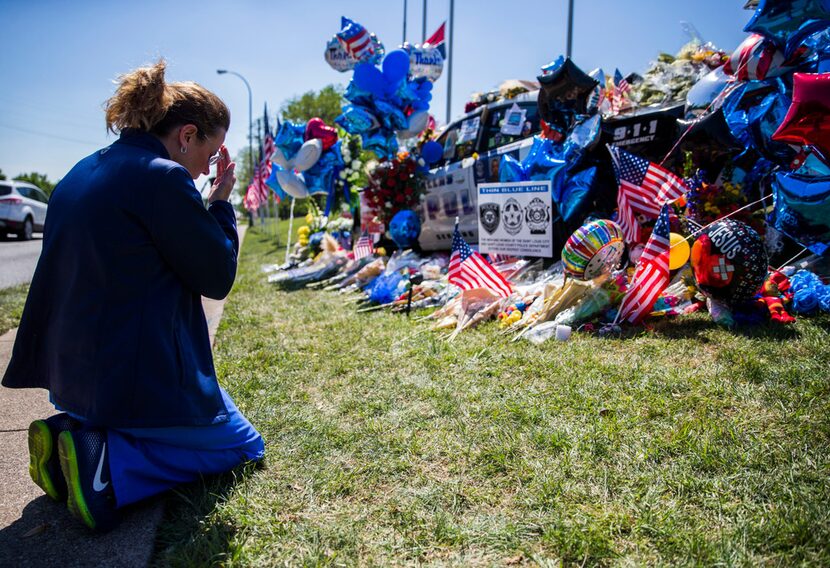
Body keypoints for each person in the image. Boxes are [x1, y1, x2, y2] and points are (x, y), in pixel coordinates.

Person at [2, 60, 264, 531]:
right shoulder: (162, 177)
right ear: (187, 135)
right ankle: (104, 462)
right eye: (213, 150)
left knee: (216, 414)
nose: (210, 166)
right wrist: (221, 203)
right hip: (133, 383)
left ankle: (72, 431)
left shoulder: (81, 171)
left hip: (73, 381)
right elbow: (216, 276)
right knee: (242, 444)